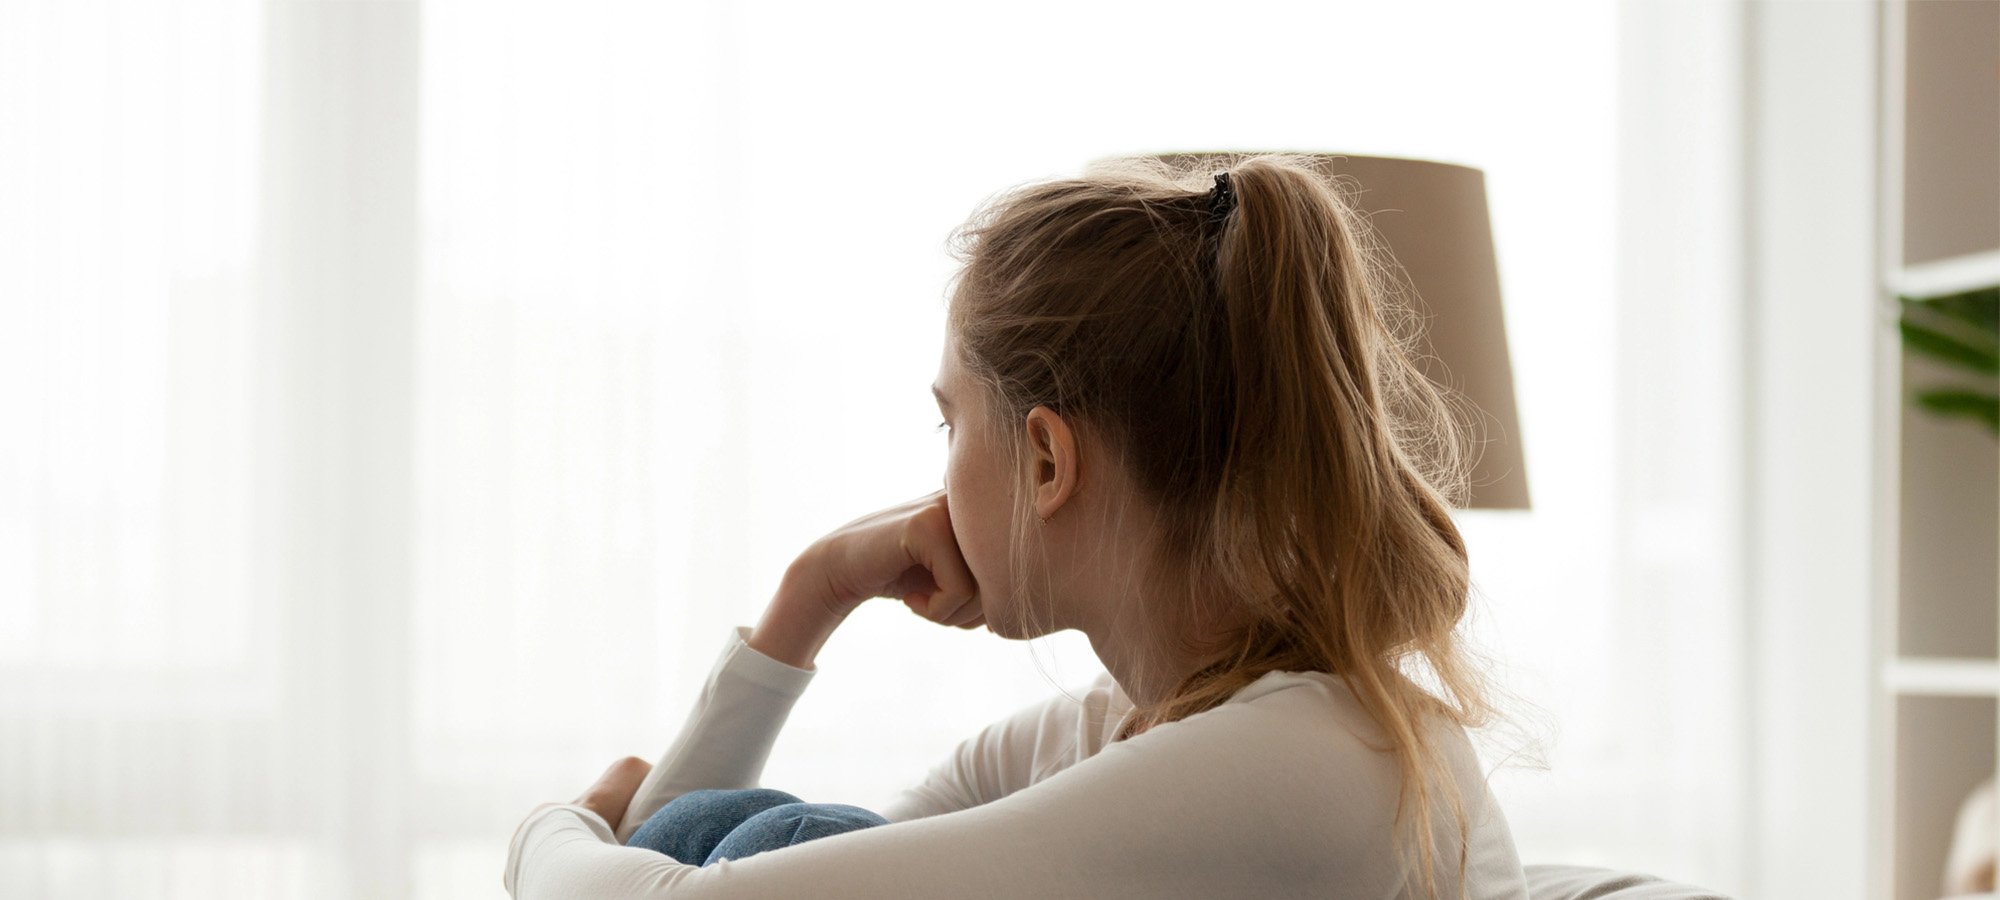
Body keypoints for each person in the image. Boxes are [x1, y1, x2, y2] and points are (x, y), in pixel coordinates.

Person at [504, 154, 1530, 900]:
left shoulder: (1317, 757)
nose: (935, 480)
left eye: (949, 423)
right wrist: (810, 595)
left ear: (1046, 461)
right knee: (754, 833)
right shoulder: (1106, 729)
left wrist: (553, 830)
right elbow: (741, 868)